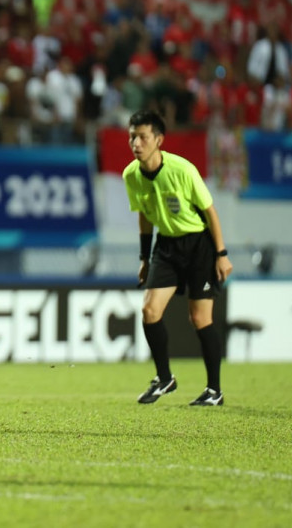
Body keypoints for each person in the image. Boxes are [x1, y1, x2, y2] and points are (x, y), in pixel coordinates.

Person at [123, 110, 232, 407]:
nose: (136, 143)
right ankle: (165, 378)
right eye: (132, 136)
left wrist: (221, 254)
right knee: (149, 311)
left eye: (143, 137)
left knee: (200, 318)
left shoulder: (182, 169)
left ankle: (214, 391)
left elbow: (210, 212)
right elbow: (145, 216)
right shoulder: (131, 174)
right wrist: (145, 258)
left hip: (199, 246)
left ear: (158, 140)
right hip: (166, 247)